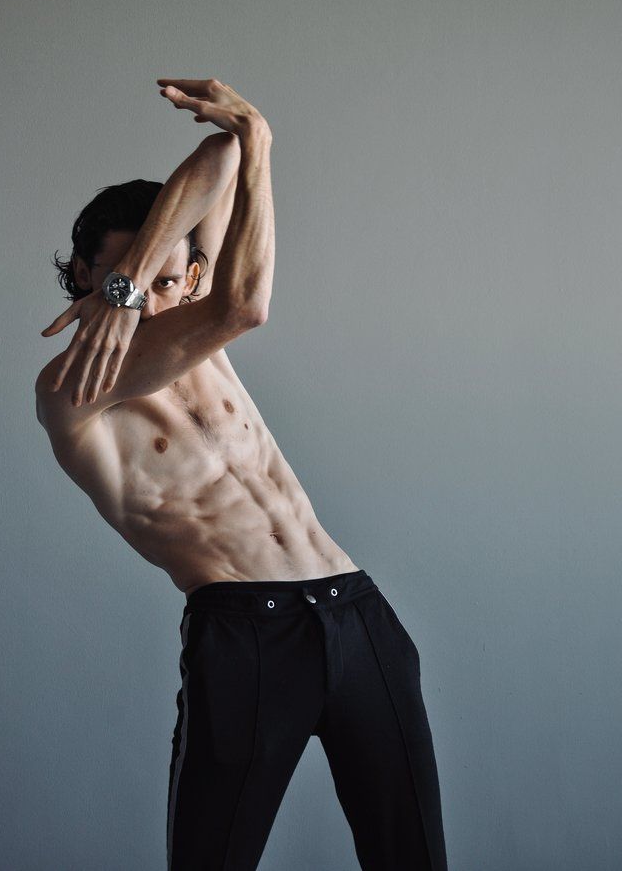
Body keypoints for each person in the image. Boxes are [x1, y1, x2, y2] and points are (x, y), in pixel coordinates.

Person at [35, 77, 448, 871]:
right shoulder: (71, 388)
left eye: (163, 282)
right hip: (247, 637)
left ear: (188, 278)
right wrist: (124, 297)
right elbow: (247, 306)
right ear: (84, 276)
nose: (147, 306)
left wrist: (254, 136)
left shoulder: (194, 326)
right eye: (120, 282)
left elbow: (221, 155)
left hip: (359, 614)